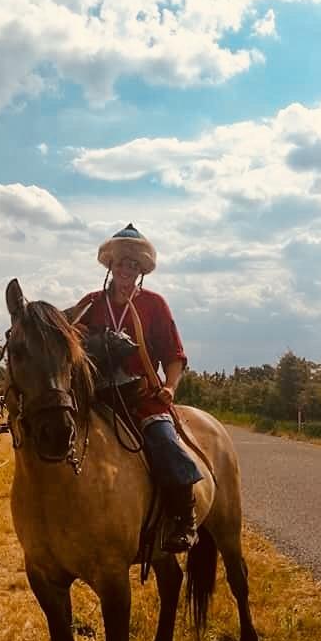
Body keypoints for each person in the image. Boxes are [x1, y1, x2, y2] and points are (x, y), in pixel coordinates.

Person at [67, 223, 202, 553]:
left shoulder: (154, 304)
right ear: (110, 264)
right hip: (97, 397)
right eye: (121, 262)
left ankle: (183, 519)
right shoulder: (91, 303)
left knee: (165, 443)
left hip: (142, 398)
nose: (126, 268)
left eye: (133, 264)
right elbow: (66, 341)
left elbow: (174, 354)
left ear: (141, 270)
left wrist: (169, 387)